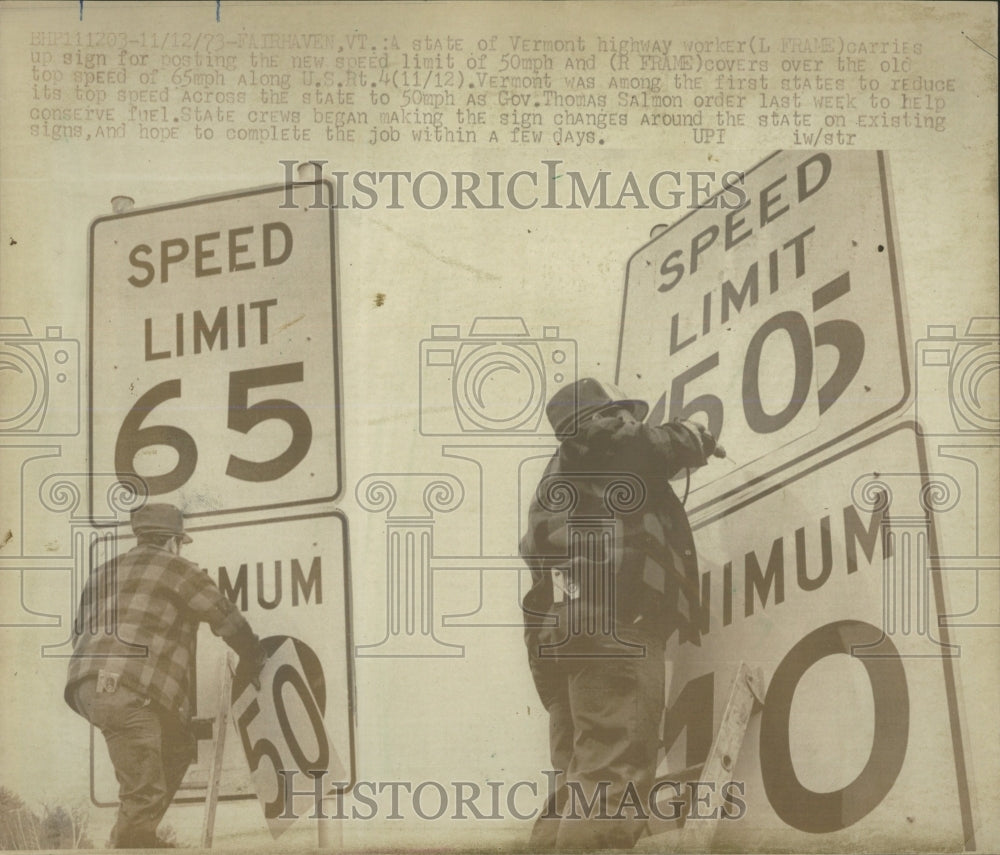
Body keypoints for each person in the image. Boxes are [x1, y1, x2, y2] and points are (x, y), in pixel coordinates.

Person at [520, 378, 719, 850]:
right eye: (624, 415)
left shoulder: (561, 477)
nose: (632, 422)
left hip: (569, 632)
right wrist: (692, 436)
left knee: (575, 784)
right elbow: (629, 441)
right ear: (601, 417)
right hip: (615, 624)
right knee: (612, 780)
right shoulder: (596, 441)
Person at [64, 503, 268, 849]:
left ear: (141, 536)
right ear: (174, 541)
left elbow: (79, 630)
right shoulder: (178, 569)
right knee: (144, 786)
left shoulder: (102, 572)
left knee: (177, 745)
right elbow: (222, 614)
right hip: (128, 687)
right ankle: (134, 841)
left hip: (87, 683)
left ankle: (136, 836)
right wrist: (252, 654)